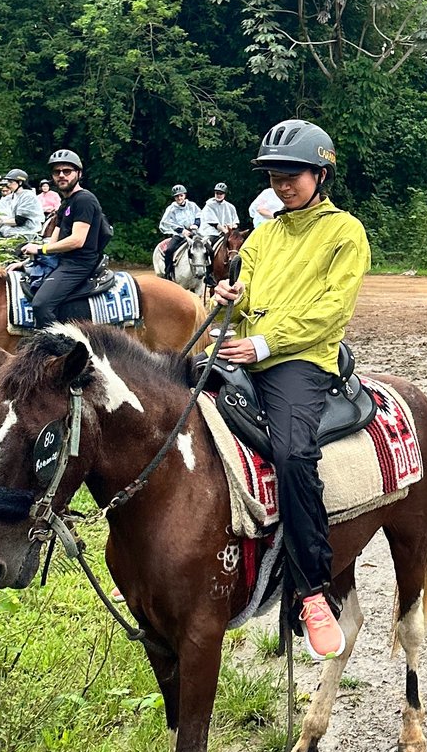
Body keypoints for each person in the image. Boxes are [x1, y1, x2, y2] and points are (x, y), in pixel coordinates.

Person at [212, 120, 371, 661]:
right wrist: (230, 298)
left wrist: (264, 344)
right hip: (245, 347)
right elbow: (246, 287)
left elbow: (332, 312)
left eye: (293, 175)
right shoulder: (264, 234)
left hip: (300, 360)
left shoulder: (346, 232)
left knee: (292, 452)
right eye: (276, 176)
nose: (283, 185)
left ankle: (312, 589)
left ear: (320, 174)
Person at [21, 150, 111, 326]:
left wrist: (39, 249)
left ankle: (64, 349)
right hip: (64, 261)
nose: (61, 175)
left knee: (41, 305)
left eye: (67, 171)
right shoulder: (65, 204)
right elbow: (53, 242)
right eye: (57, 172)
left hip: (79, 264)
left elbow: (77, 240)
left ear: (79, 173)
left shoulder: (84, 200)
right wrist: (27, 262)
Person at [158, 184, 202, 280]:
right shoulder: (171, 209)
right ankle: (168, 272)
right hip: (179, 235)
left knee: (208, 249)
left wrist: (196, 224)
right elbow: (166, 222)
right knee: (169, 250)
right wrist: (182, 230)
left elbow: (199, 215)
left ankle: (209, 273)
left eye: (181, 195)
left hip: (194, 234)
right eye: (177, 196)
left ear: (184, 195)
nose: (179, 198)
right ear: (174, 197)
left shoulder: (192, 205)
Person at [0, 170, 44, 240]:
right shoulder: (13, 196)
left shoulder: (28, 196)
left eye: (11, 182)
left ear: (20, 182)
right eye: (8, 182)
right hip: (15, 230)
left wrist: (0, 222)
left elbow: (19, 221)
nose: (8, 185)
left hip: (27, 232)